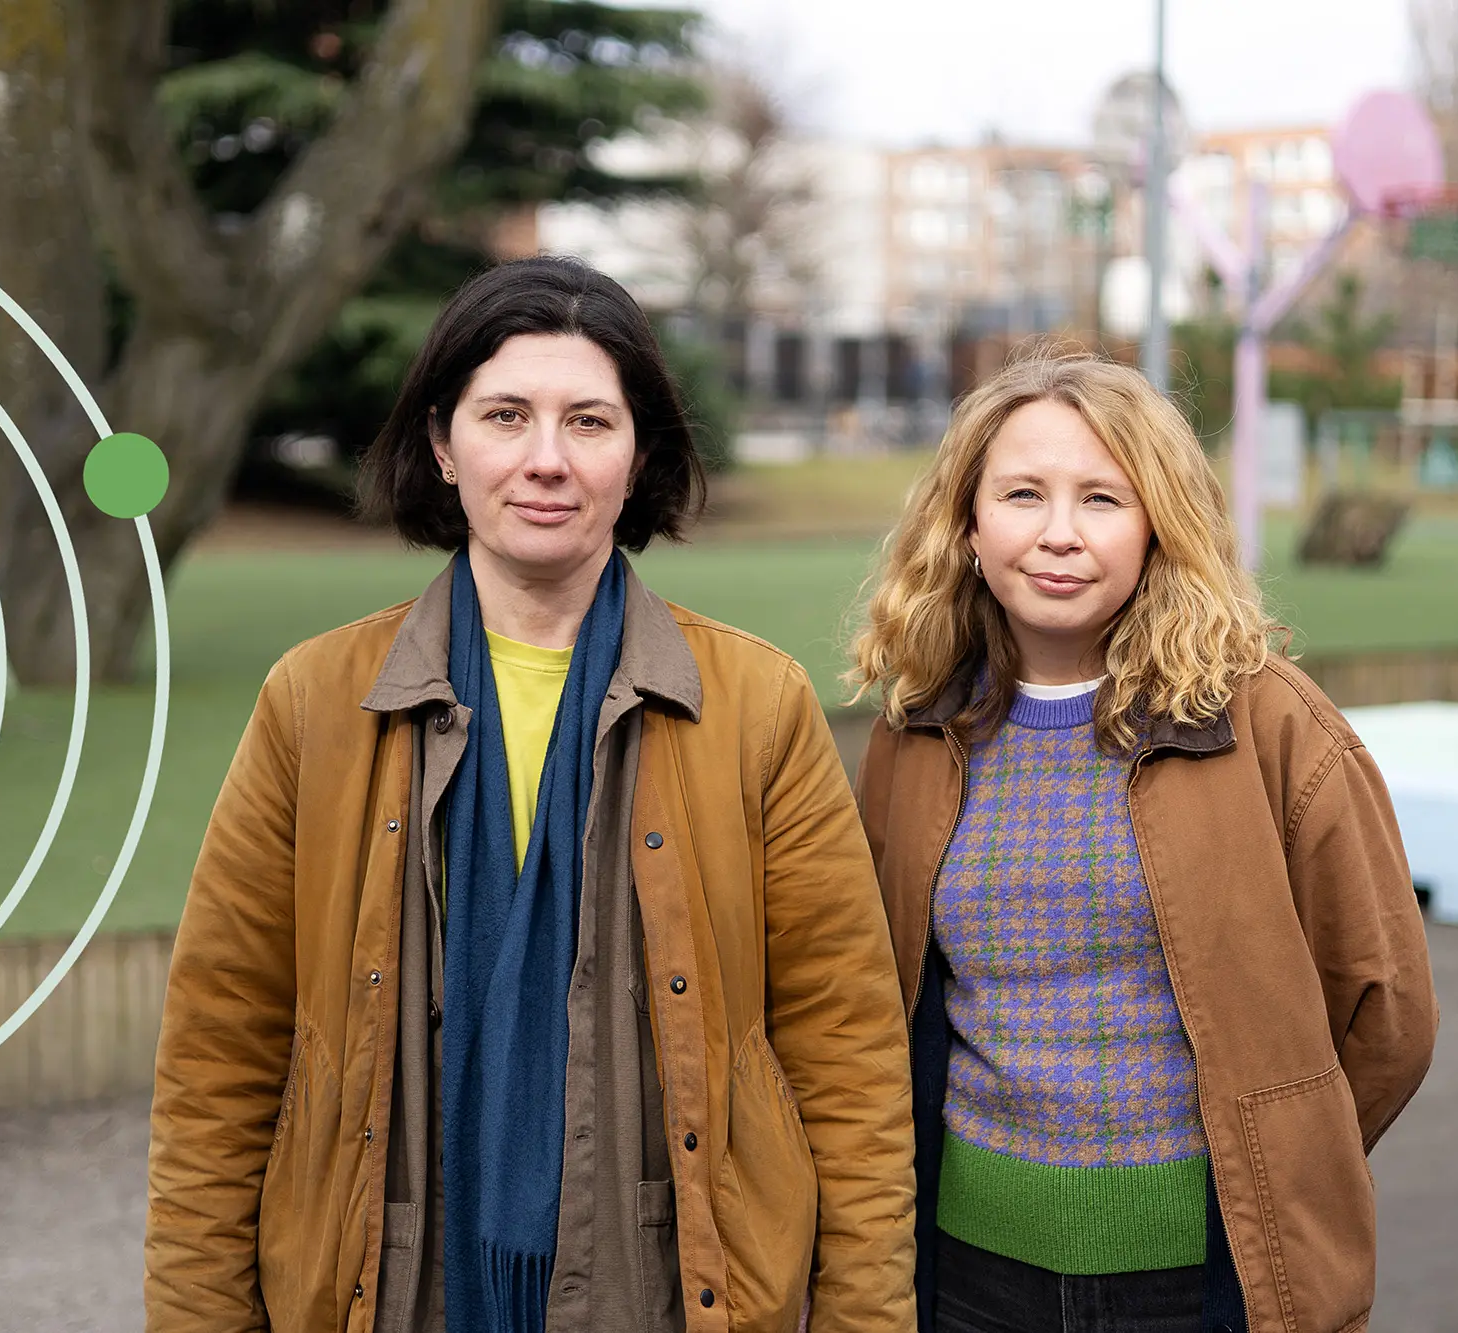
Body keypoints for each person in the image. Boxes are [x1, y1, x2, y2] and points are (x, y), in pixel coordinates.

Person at [145, 255, 915, 1333]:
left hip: (667, 1291)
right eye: (505, 414)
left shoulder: (753, 704)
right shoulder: (316, 703)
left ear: (636, 452)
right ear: (440, 444)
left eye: (588, 422)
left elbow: (848, 1058)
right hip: (389, 1289)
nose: (546, 459)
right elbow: (219, 1061)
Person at [846, 346, 1438, 1333]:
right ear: (966, 526)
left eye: (1101, 499)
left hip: (1204, 1284)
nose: (1058, 535)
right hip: (968, 1283)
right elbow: (885, 1004)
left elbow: (1386, 1012)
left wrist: (1277, 1164)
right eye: (1023, 494)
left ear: (1157, 522)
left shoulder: (1270, 723)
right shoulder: (913, 735)